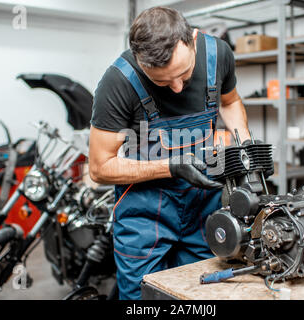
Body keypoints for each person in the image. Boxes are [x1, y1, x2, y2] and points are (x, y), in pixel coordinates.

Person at [88, 6, 251, 300]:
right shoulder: (118, 81)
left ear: (192, 38)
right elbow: (100, 168)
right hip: (144, 215)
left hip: (205, 207)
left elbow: (230, 101)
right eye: (162, 81)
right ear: (139, 62)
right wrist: (171, 167)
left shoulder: (218, 54)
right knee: (144, 296)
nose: (177, 88)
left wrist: (244, 144)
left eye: (184, 74)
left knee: (201, 293)